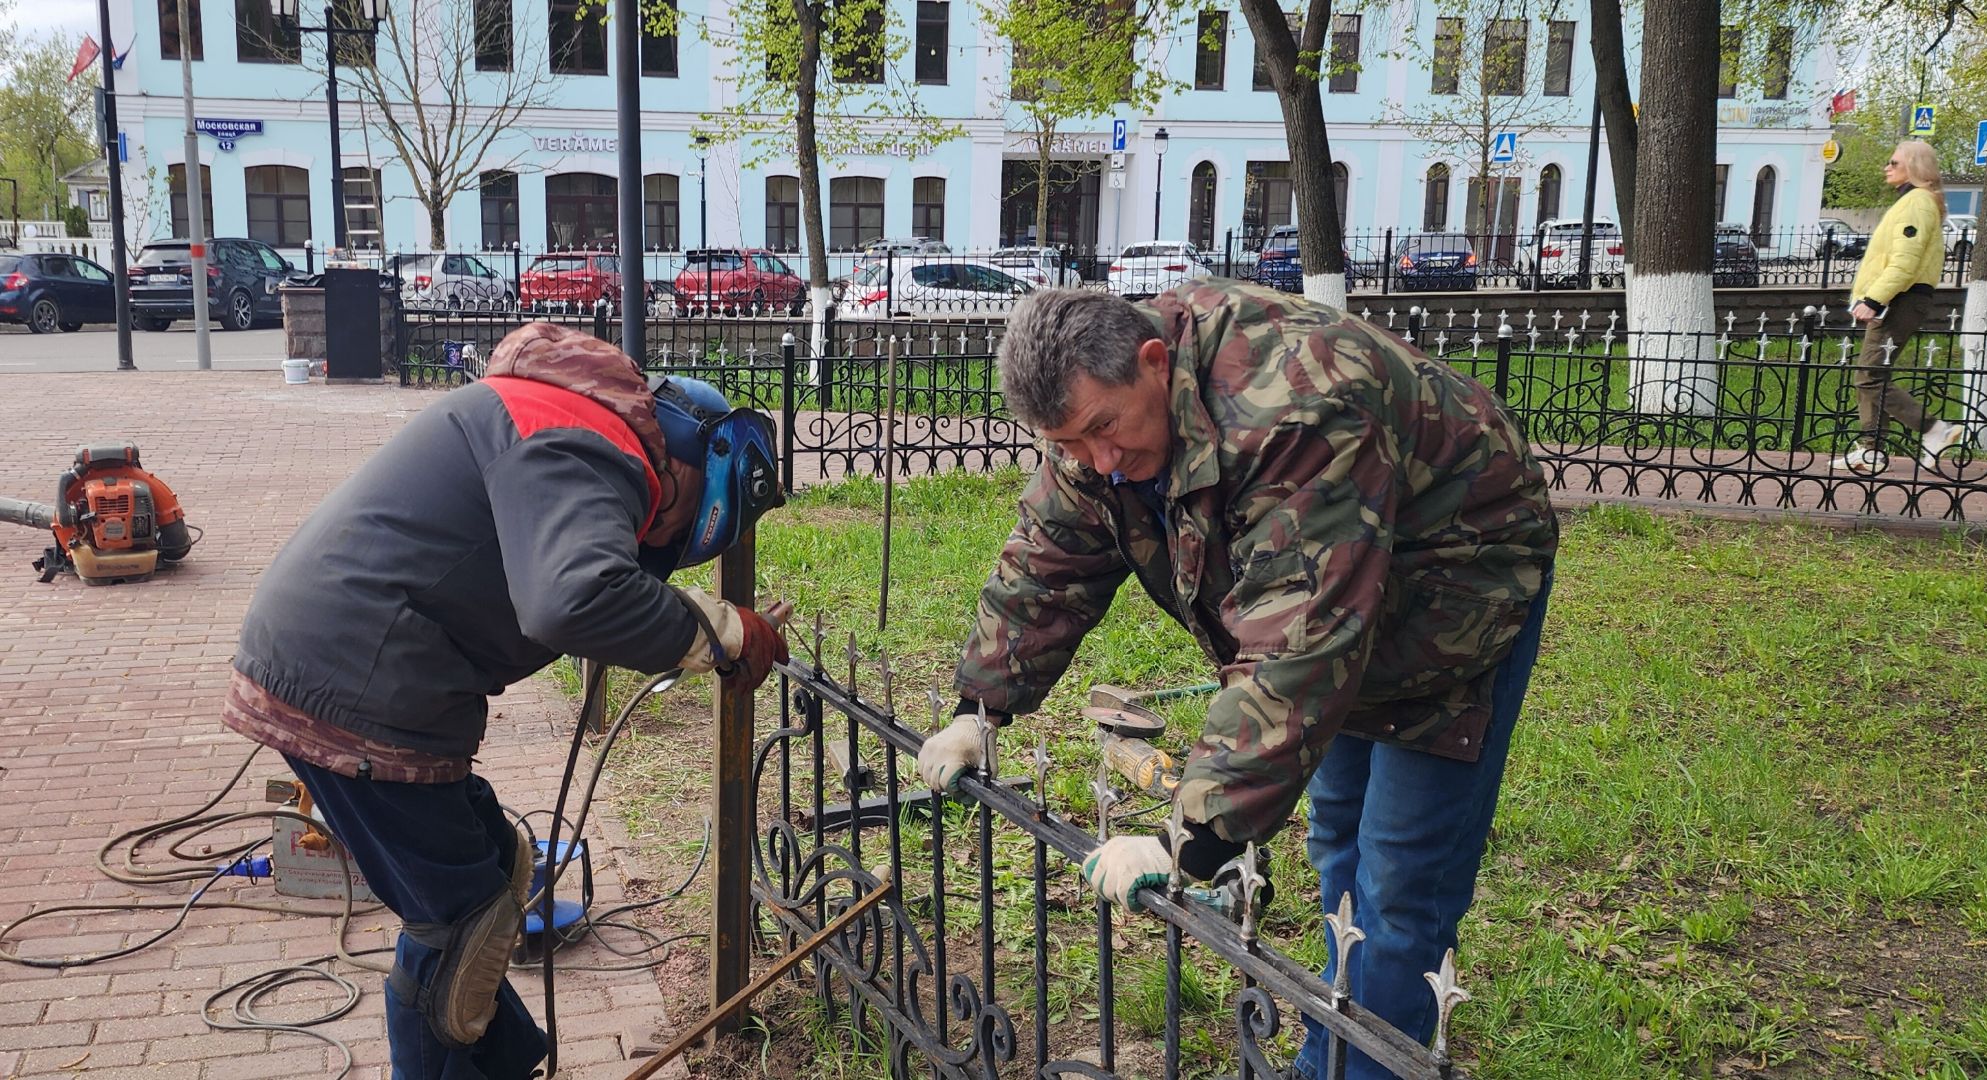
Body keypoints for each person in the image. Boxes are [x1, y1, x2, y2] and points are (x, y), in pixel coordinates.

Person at [915, 282, 1558, 1080]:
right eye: (1072, 445)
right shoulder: (1097, 417)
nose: (1100, 465)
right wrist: (982, 707)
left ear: (1155, 362)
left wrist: (1191, 838)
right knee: (1341, 841)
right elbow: (1051, 556)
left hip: (1455, 587)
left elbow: (1296, 641)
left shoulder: (1295, 408)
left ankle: (1366, 1070)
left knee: (1397, 880)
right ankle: (1333, 1048)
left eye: (1103, 432)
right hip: (1343, 594)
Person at [222, 322, 788, 1079]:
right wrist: (721, 632)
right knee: (463, 927)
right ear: (697, 472)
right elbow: (573, 599)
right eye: (694, 525)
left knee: (494, 863)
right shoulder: (592, 443)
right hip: (355, 679)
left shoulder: (562, 420)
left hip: (349, 663)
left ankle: (511, 1061)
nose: (677, 536)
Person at [1832, 139, 1969, 474]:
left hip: (1899, 299)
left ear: (1915, 167)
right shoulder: (1915, 201)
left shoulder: (1917, 203)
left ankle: (1935, 430)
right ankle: (1872, 452)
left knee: (1870, 376)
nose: (1887, 167)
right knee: (1870, 374)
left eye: (1894, 162)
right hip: (1900, 298)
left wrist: (1874, 299)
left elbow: (1904, 263)